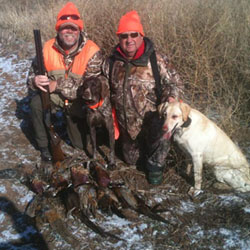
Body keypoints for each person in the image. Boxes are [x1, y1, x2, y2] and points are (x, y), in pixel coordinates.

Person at [102, 10, 184, 184]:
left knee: (163, 135)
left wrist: (171, 98)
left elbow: (176, 84)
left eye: (134, 34)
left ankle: (156, 166)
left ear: (141, 36)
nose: (129, 40)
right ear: (119, 38)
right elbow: (100, 82)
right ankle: (137, 151)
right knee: (131, 161)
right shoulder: (111, 62)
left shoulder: (157, 60)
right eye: (124, 36)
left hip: (152, 125)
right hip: (126, 129)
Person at [27, 2, 103, 161]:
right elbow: (30, 78)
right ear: (58, 30)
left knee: (80, 145)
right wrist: (35, 81)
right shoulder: (46, 48)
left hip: (80, 101)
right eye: (64, 27)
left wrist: (58, 84)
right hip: (54, 98)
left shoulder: (92, 51)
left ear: (79, 30)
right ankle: (44, 147)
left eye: (73, 28)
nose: (69, 31)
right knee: (35, 103)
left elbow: (93, 89)